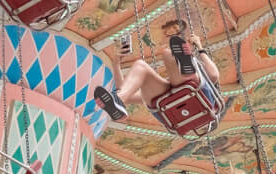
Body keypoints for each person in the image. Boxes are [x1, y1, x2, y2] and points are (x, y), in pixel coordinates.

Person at [91, 18, 222, 122]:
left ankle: (185, 68)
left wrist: (200, 48)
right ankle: (117, 100)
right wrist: (116, 63)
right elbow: (124, 89)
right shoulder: (166, 86)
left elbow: (214, 75)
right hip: (170, 100)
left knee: (167, 54)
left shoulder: (200, 80)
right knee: (141, 65)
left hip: (186, 98)